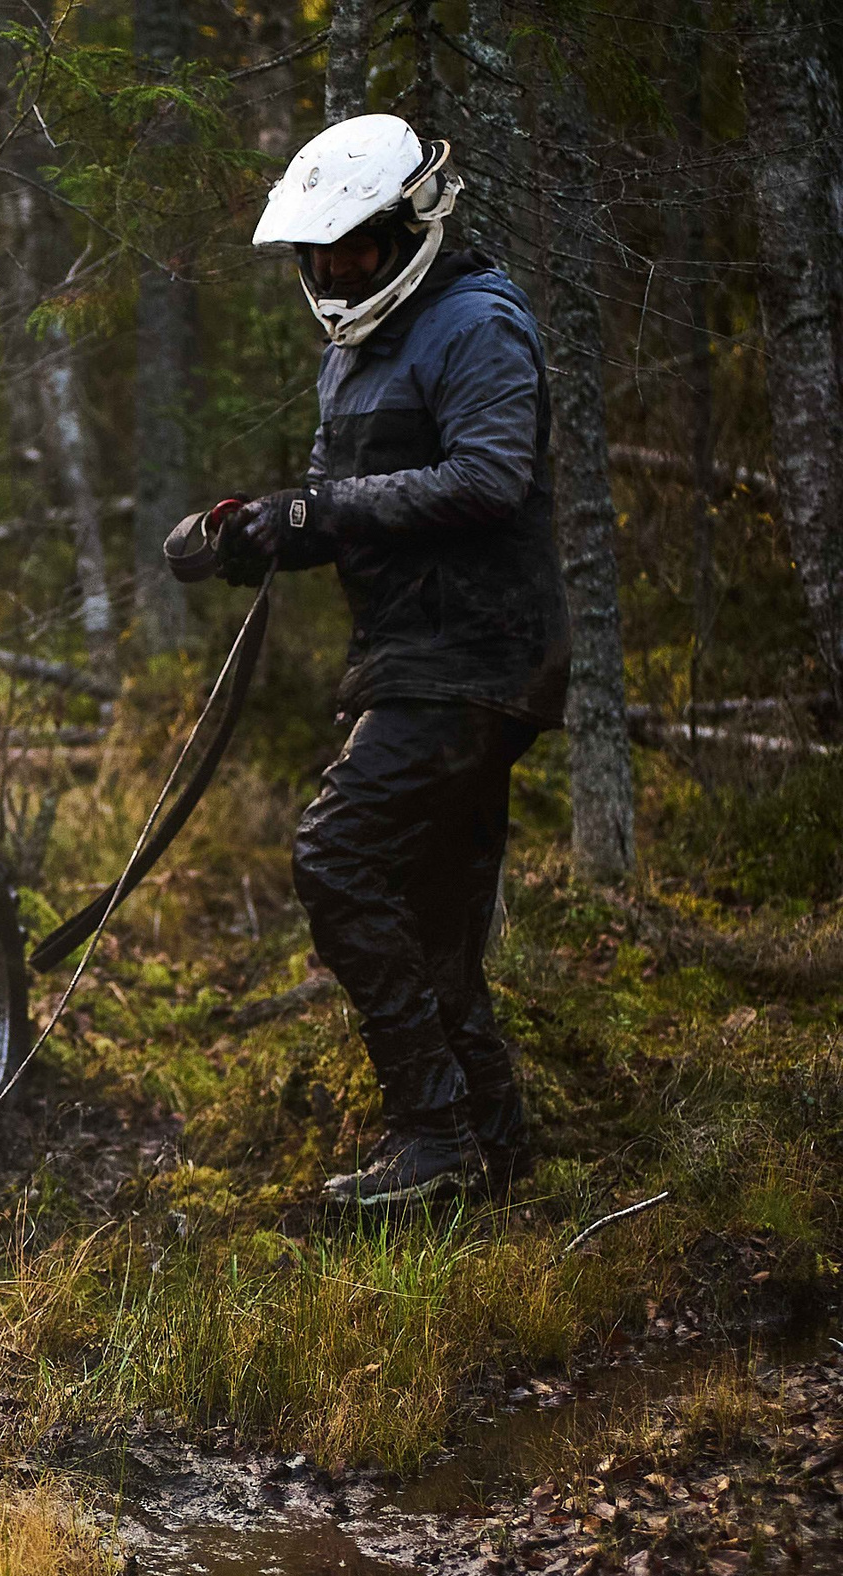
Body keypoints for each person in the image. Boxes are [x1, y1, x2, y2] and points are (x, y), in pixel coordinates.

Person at [217, 114, 569, 1207]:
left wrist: (316, 505)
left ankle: (431, 1133)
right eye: (319, 256)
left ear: (411, 226)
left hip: (473, 658)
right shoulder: (358, 354)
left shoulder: (476, 323)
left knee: (335, 856)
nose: (333, 272)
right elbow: (344, 512)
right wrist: (247, 533)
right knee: (435, 916)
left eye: (354, 250)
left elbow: (487, 477)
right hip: (415, 655)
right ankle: (494, 1154)